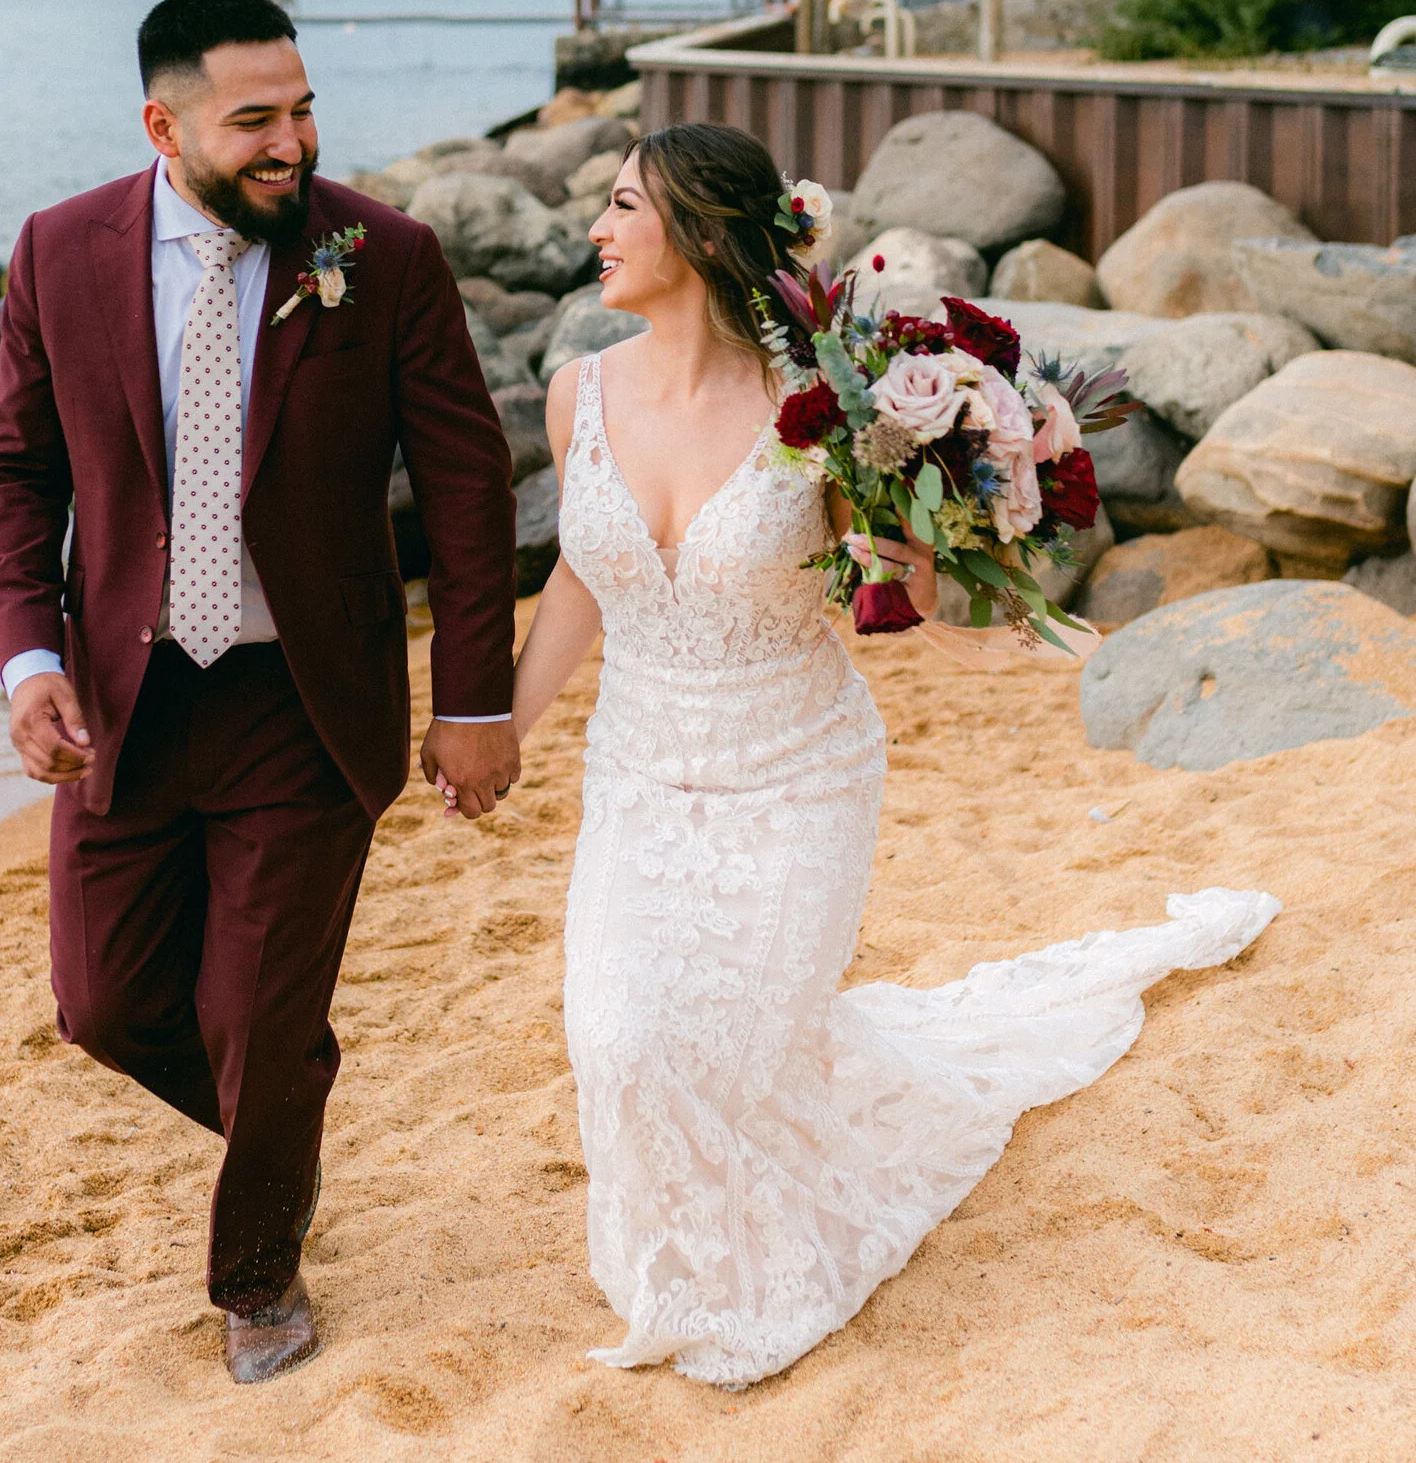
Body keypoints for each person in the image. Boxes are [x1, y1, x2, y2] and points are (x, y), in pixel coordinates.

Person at [486, 121, 1281, 1388]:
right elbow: (585, 579)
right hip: (637, 780)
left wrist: (951, 528)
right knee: (622, 1044)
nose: (597, 227)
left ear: (698, 233)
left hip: (795, 778)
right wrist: (500, 729)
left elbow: (920, 610)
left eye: (624, 205)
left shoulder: (824, 412)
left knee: (741, 1061)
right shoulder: (581, 391)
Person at [0, 0, 520, 1383]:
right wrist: (29, 658)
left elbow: (465, 484)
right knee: (102, 1005)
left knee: (257, 1014)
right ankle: (287, 1115)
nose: (294, 141)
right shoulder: (57, 250)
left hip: (305, 703)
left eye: (305, 108)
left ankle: (260, 1275)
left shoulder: (379, 254)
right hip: (122, 705)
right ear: (164, 125)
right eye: (256, 119)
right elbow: (15, 474)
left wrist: (472, 698)